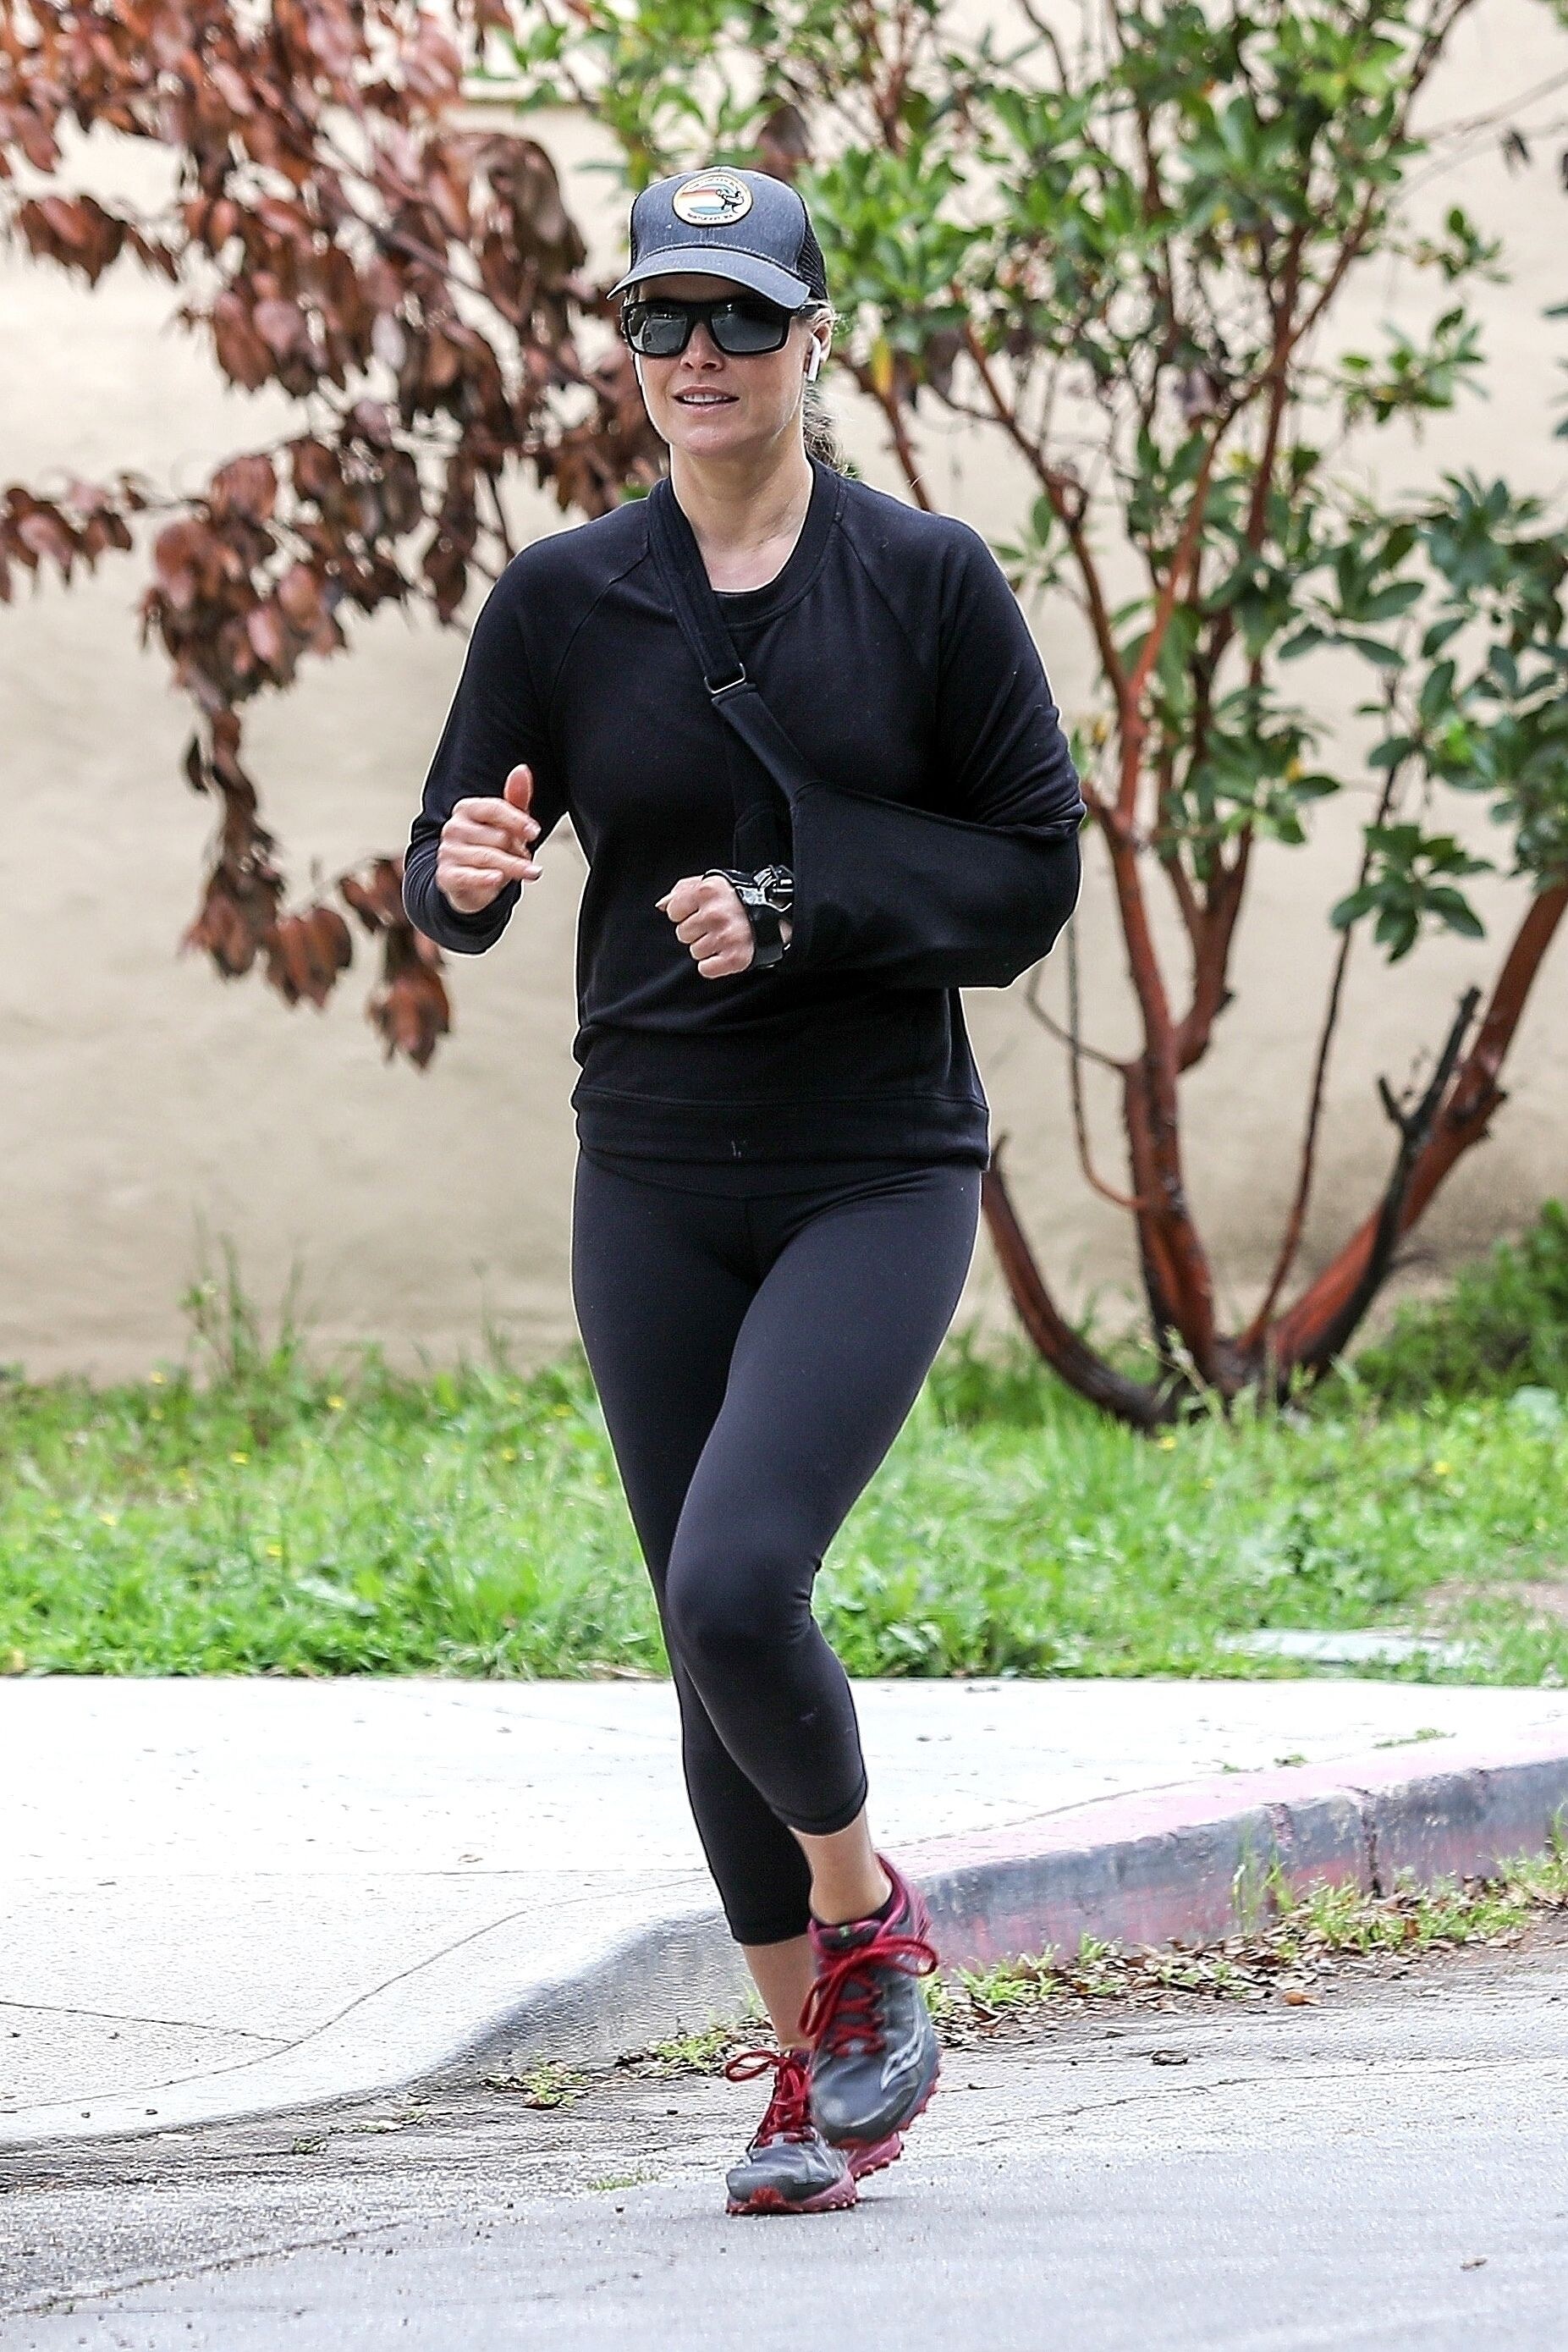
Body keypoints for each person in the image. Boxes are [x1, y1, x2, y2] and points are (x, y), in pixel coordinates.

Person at [404, 162, 1085, 2217]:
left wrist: (797, 907)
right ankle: (811, 2072)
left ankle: (866, 1924)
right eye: (661, 319)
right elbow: (455, 847)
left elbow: (1028, 875)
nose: (696, 355)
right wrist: (456, 877)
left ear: (810, 339)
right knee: (700, 1636)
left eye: (739, 318)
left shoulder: (927, 582)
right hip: (650, 1172)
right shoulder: (563, 598)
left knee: (733, 1578)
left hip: (873, 1164)